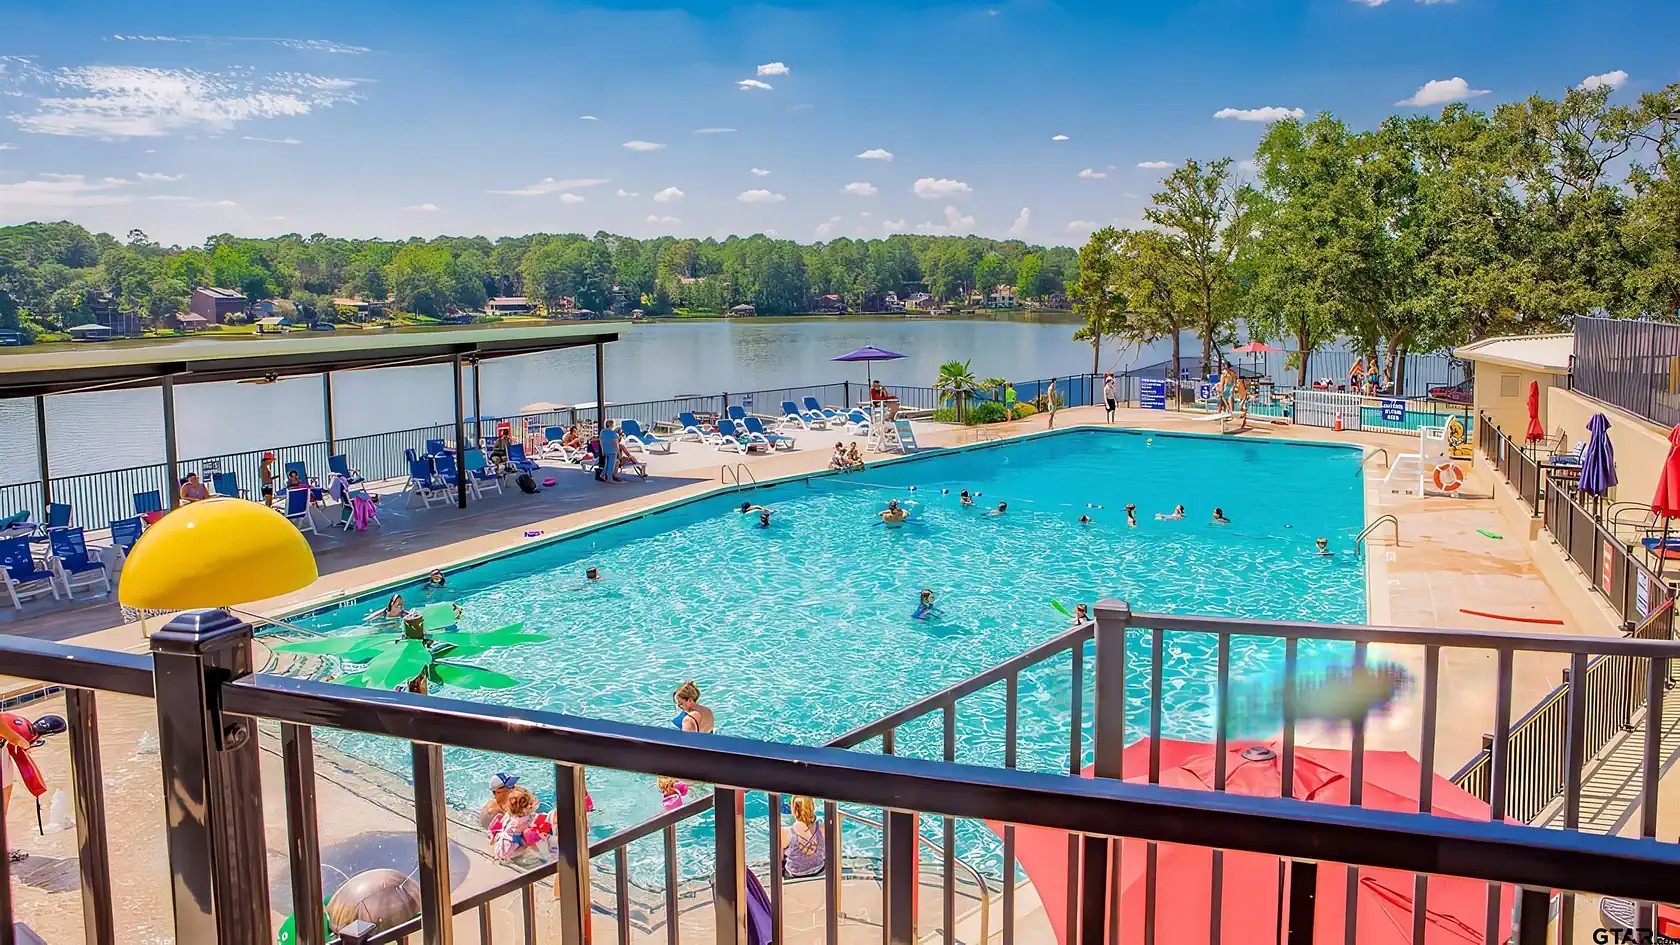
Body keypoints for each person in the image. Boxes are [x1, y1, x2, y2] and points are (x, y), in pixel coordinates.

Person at [781, 795, 826, 878]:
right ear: (812, 807)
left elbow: (779, 858)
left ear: (793, 810)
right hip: (819, 869)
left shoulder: (785, 832)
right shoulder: (823, 828)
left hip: (795, 873)